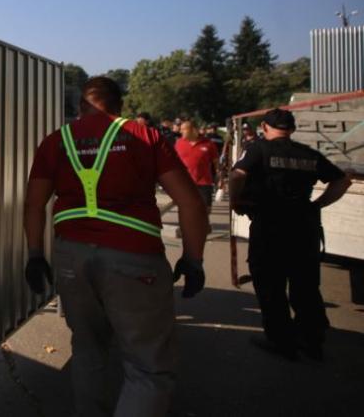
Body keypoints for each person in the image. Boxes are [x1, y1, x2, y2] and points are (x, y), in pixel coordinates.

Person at [24, 77, 208, 417]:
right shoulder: (146, 136)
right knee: (147, 366)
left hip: (72, 257)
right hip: (134, 258)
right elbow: (191, 203)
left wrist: (35, 255)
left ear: (80, 105)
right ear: (120, 106)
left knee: (87, 350)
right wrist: (193, 259)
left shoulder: (56, 140)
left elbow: (34, 204)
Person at [228, 108, 352, 361]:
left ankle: (282, 341)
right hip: (303, 228)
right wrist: (317, 205)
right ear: (292, 129)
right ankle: (312, 340)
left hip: (269, 226)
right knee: (305, 286)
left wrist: (235, 201)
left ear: (264, 126)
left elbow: (237, 174)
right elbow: (342, 181)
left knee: (270, 285)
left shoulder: (259, 150)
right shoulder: (308, 154)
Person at [175, 119, 219, 217]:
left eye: (184, 129)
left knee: (206, 210)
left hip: (204, 183)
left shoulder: (209, 144)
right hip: (185, 183)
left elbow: (216, 163)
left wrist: (220, 177)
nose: (180, 131)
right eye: (180, 129)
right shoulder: (179, 143)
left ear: (194, 130)